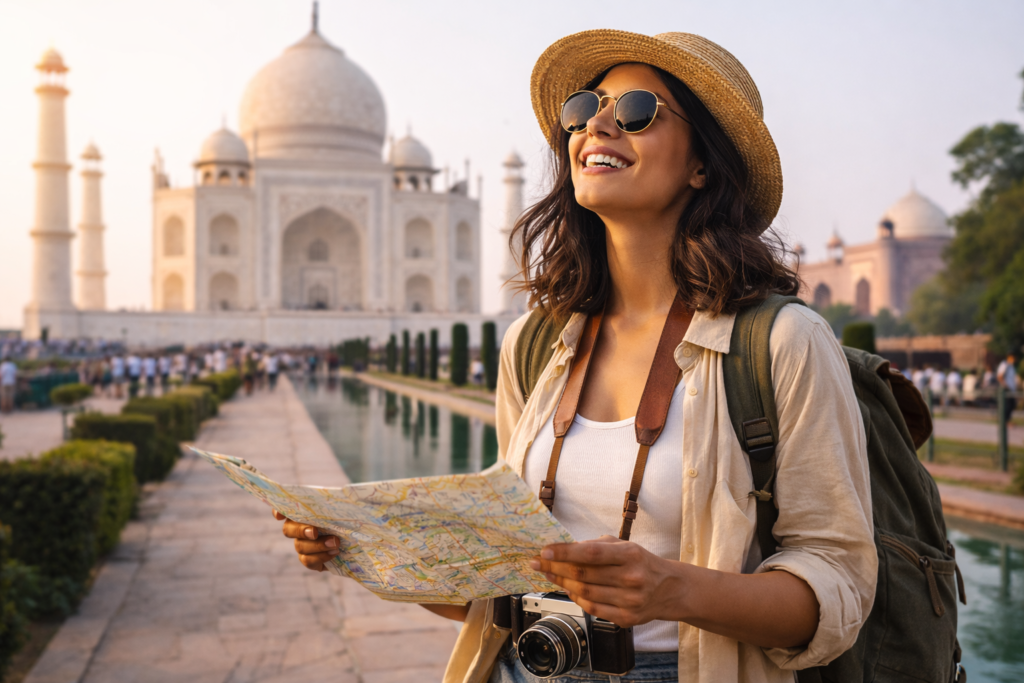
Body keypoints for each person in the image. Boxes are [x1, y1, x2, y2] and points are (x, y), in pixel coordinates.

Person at [276, 30, 875, 683]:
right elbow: (504, 585)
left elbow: (840, 587)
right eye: (585, 108)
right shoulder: (538, 346)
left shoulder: (781, 342)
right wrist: (369, 549)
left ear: (703, 163)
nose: (598, 125)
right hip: (528, 662)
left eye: (638, 110)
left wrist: (674, 590)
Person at [997, 353, 1018, 426]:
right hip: (1007, 389)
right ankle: (1005, 421)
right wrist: (1005, 386)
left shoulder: (1012, 366)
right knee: (1008, 406)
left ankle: (1007, 421)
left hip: (1012, 390)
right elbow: (1000, 376)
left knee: (1012, 405)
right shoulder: (1004, 364)